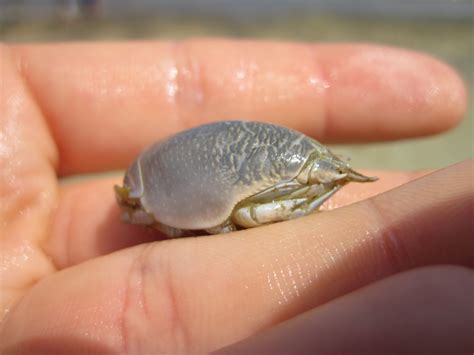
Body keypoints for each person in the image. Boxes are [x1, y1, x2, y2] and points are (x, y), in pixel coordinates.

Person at [0, 40, 472, 354]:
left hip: (274, 165)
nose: (126, 210)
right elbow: (207, 218)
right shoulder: (147, 182)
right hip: (200, 180)